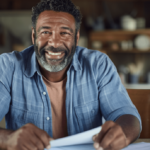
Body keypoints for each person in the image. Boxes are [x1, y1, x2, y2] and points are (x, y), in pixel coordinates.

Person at [0, 0, 141, 150]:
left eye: (65, 33)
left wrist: (122, 134)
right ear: (34, 36)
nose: (54, 43)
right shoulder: (8, 66)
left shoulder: (98, 65)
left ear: (76, 37)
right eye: (45, 32)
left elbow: (126, 115)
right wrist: (7, 138)